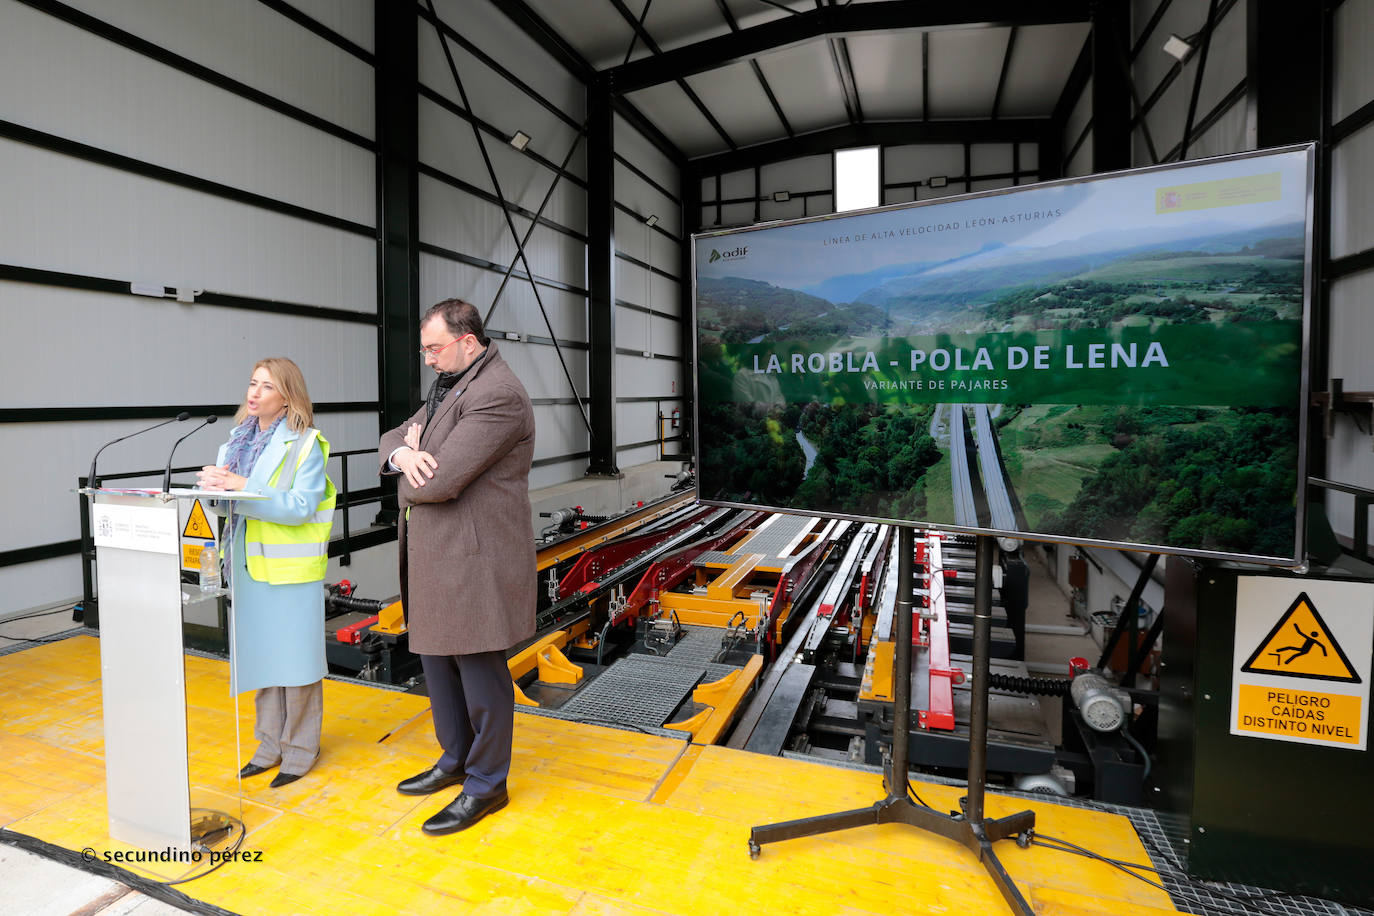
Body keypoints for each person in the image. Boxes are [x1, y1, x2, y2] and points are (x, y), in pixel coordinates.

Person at [379, 298, 536, 836]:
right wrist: (404, 455)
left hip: (473, 560)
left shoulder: (498, 395)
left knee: (479, 672)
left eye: (434, 348)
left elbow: (441, 482)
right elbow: (392, 437)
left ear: (468, 341)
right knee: (438, 665)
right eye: (424, 349)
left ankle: (487, 783)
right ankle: (455, 760)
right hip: (438, 556)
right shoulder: (454, 385)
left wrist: (410, 473)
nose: (427, 359)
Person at [198, 357, 335, 789]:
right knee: (261, 658)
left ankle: (299, 751)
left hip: (291, 570)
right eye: (253, 384)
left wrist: (242, 487)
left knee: (296, 665)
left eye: (267, 387)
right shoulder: (233, 444)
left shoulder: (306, 444)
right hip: (245, 566)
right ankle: (268, 746)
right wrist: (213, 491)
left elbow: (299, 508)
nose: (254, 394)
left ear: (287, 397)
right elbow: (227, 506)